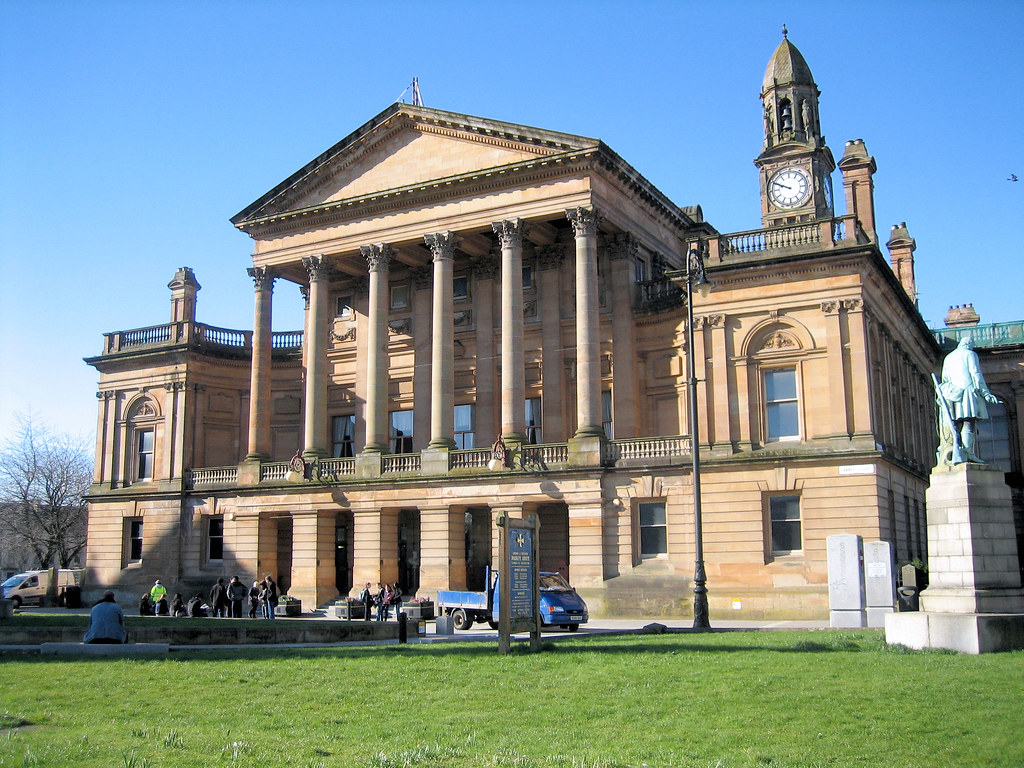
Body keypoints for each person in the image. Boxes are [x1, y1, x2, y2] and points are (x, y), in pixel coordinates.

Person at [936, 336, 1001, 464]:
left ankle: (958, 452)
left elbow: (945, 379)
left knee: (955, 424)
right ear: (969, 344)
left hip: (953, 395)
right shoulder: (970, 354)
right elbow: (976, 374)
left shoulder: (948, 358)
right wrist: (986, 393)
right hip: (968, 392)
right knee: (969, 423)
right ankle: (968, 453)